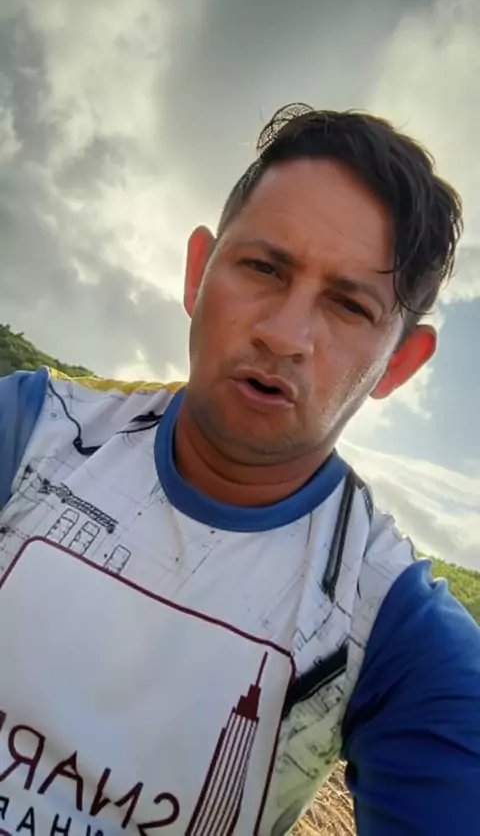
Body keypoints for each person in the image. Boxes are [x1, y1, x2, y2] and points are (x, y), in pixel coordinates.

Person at [0, 103, 478, 836]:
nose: (284, 335)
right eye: (263, 267)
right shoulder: (31, 431)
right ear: (199, 273)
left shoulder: (392, 629)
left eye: (349, 306)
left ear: (399, 364)